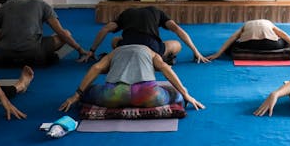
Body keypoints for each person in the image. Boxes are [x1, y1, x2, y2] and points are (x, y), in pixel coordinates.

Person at [59, 44, 204, 112]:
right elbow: (166, 68)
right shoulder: (150, 51)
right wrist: (185, 94)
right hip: (148, 95)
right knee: (174, 93)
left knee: (89, 90)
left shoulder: (115, 51)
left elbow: (96, 68)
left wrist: (76, 95)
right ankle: (178, 94)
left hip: (113, 95)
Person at [0, 0, 88, 67]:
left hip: (5, 52)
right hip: (34, 52)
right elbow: (61, 33)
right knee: (66, 33)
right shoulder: (43, 5)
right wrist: (80, 49)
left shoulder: (8, 4)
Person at [77, 6, 208, 64]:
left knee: (115, 40)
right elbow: (178, 30)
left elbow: (104, 29)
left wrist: (92, 51)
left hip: (126, 48)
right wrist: (196, 51)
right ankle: (160, 58)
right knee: (176, 45)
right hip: (152, 48)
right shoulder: (158, 12)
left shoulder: (126, 13)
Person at [205, 19, 290, 62]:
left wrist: (218, 54)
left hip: (249, 44)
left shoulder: (246, 24)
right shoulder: (268, 23)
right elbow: (285, 36)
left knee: (233, 45)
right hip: (270, 44)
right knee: (285, 42)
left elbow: (232, 38)